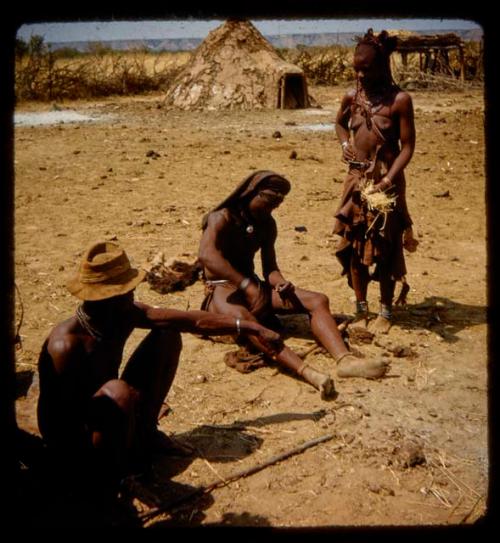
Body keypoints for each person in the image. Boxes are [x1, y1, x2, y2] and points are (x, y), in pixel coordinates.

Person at [37, 240, 283, 502]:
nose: (132, 295)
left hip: (112, 411)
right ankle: (119, 477)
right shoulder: (67, 346)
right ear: (104, 298)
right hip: (81, 440)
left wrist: (248, 327)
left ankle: (146, 434)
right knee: (117, 391)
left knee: (167, 334)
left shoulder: (121, 314)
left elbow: (192, 320)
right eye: (125, 291)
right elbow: (57, 426)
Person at [198, 170, 389, 398]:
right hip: (223, 290)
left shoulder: (267, 224)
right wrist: (245, 284)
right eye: (270, 201)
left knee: (317, 300)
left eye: (278, 203)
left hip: (253, 288)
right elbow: (207, 256)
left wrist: (281, 284)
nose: (274, 207)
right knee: (247, 322)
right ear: (252, 193)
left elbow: (270, 269)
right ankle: (307, 372)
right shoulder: (222, 217)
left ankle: (345, 361)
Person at [333, 28, 419, 334]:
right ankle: (361, 308)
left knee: (384, 248)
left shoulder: (399, 101)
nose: (359, 74)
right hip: (356, 182)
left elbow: (407, 147)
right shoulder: (352, 96)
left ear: (382, 66)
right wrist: (345, 146)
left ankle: (385, 310)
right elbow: (340, 124)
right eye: (356, 68)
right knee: (356, 247)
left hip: (387, 184)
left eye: (366, 69)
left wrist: (388, 181)